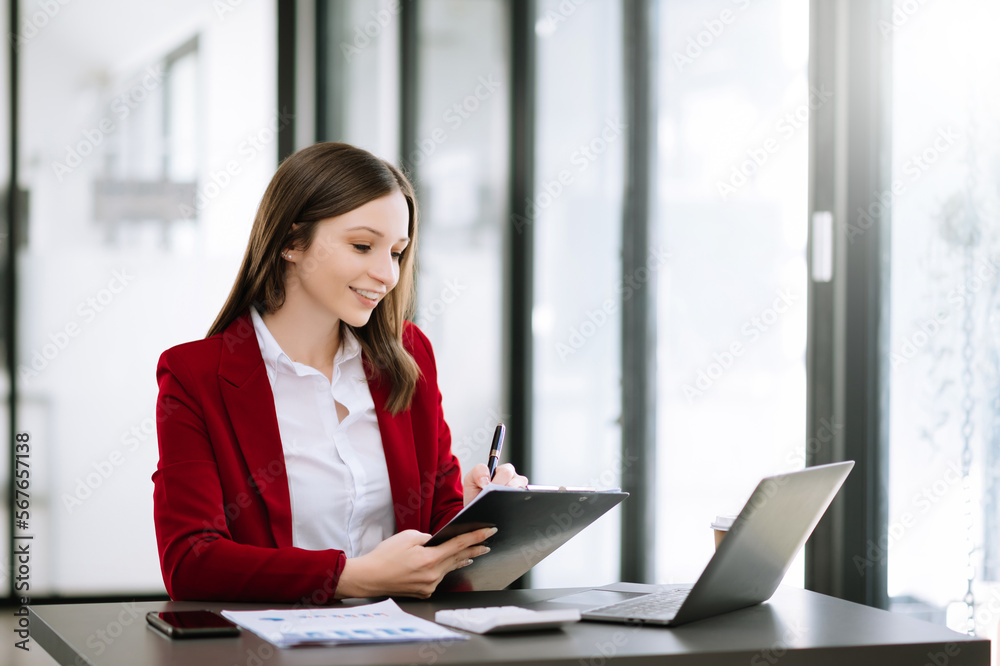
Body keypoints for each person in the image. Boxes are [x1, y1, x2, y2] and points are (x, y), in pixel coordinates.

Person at [152, 142, 527, 603]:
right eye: (363, 246)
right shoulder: (195, 375)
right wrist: (351, 577)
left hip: (403, 647)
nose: (387, 274)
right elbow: (191, 562)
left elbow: (429, 528)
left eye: (396, 252)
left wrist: (472, 513)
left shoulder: (409, 356)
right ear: (291, 241)